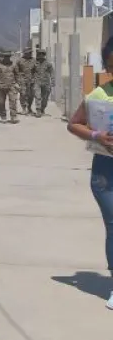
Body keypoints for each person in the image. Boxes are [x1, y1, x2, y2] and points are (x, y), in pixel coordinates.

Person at [67, 37, 113, 308]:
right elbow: (74, 125)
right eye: (111, 67)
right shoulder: (98, 95)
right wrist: (97, 135)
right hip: (106, 173)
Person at [0, 52, 19, 123]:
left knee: (13, 101)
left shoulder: (13, 65)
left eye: (8, 57)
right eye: (5, 57)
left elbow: (17, 75)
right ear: (3, 57)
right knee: (1, 103)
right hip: (1, 86)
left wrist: (17, 83)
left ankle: (13, 116)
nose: (6, 58)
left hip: (12, 86)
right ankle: (3, 116)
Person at [33, 50, 53, 117]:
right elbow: (31, 72)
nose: (41, 55)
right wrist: (31, 80)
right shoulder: (35, 63)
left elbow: (52, 73)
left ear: (44, 55)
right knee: (37, 96)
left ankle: (42, 109)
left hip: (46, 83)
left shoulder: (48, 64)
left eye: (42, 54)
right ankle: (38, 110)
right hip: (37, 82)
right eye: (39, 54)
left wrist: (53, 80)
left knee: (45, 98)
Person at [16, 49, 36, 115]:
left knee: (31, 95)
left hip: (31, 80)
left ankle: (29, 107)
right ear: (25, 53)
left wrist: (35, 78)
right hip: (22, 80)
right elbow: (16, 71)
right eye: (28, 53)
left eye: (30, 52)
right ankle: (24, 108)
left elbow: (36, 70)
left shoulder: (34, 60)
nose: (30, 54)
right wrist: (18, 80)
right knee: (23, 94)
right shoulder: (19, 60)